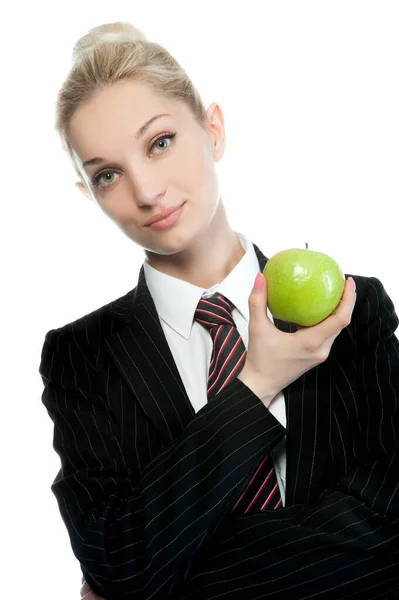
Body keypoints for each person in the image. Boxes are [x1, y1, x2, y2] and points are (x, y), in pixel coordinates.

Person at [38, 21, 399, 600]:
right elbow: (121, 558)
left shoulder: (351, 313)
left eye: (160, 142)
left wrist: (163, 577)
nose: (147, 190)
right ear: (88, 193)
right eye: (107, 174)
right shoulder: (81, 358)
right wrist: (256, 383)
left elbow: (393, 531)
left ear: (213, 129)